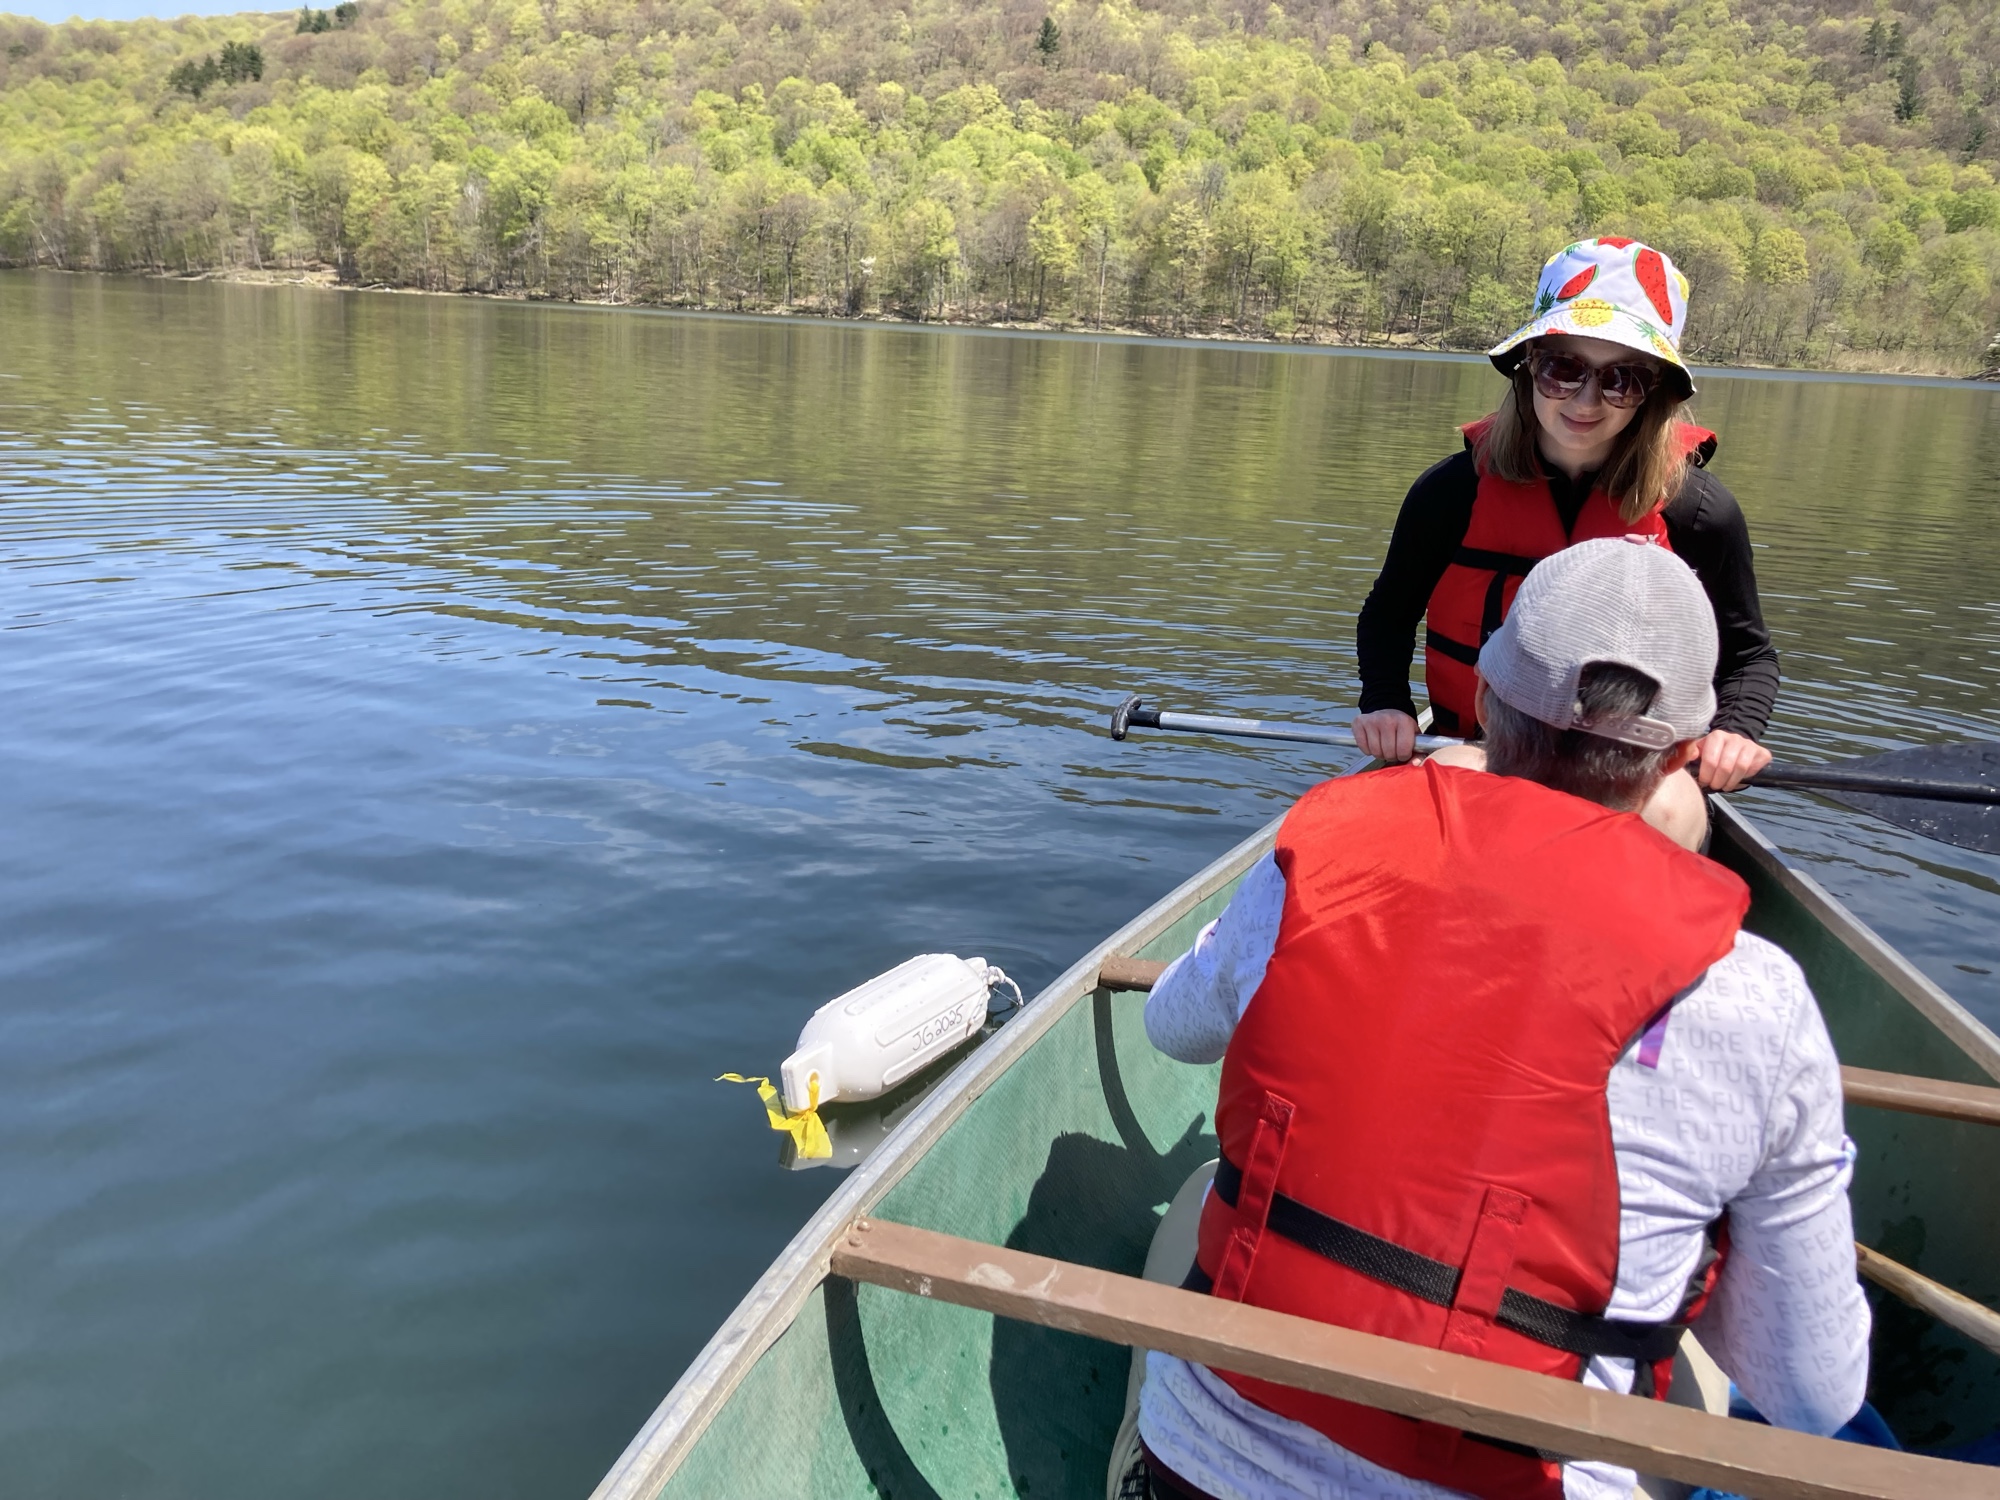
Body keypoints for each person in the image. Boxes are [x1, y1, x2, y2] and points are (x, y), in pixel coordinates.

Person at [1133, 539, 1869, 1500]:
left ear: (1481, 702)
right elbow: (1813, 1398)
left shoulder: (1315, 859)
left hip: (1204, 1478)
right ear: (1684, 758)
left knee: (1199, 1192)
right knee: (1690, 1367)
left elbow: (1172, 1029)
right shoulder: (1756, 997)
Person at [1351, 237, 1778, 835]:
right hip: (1483, 751)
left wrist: (1735, 731)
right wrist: (1386, 704)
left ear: (1654, 389)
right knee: (1450, 774)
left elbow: (1749, 656)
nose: (1586, 400)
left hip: (1628, 779)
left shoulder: (1699, 512)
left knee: (1674, 808)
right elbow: (1389, 615)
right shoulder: (1451, 492)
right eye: (1563, 369)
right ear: (1529, 365)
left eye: (1622, 379)